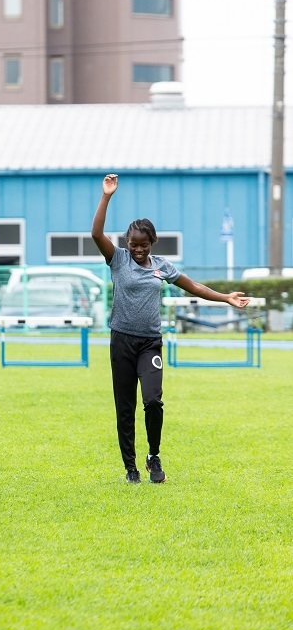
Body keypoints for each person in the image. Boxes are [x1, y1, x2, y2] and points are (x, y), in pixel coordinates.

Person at [91, 173, 249, 484]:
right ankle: (131, 469)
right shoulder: (118, 260)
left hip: (150, 343)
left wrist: (226, 298)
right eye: (134, 245)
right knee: (125, 407)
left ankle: (153, 455)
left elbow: (195, 287)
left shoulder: (162, 266)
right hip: (121, 340)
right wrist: (107, 196)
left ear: (151, 244)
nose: (138, 250)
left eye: (144, 245)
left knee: (152, 400)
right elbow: (96, 233)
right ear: (127, 243)